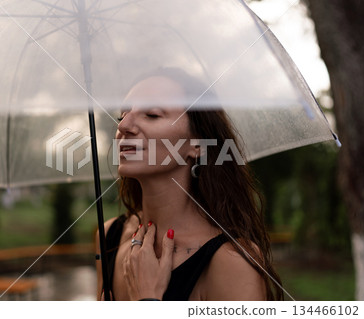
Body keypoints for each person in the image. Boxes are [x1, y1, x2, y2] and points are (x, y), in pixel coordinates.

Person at [96, 67, 283, 301]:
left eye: (152, 114)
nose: (124, 126)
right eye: (122, 115)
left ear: (198, 145)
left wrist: (148, 302)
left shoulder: (231, 262)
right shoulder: (109, 236)